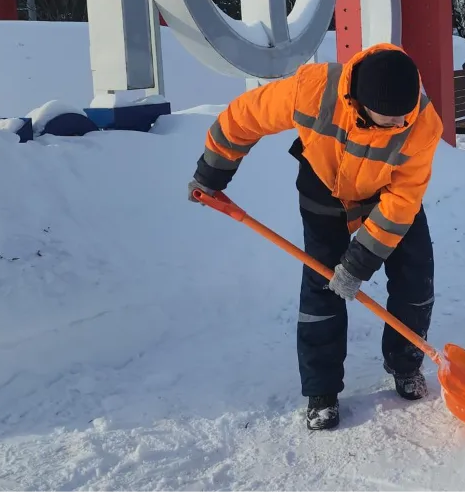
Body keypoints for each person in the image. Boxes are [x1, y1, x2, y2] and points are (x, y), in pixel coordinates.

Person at [188, 43, 443, 431]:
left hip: (387, 197)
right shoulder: (314, 90)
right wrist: (210, 174)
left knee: (415, 279)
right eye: (389, 118)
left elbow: (403, 201)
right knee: (322, 290)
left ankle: (406, 364)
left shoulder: (422, 123)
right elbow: (245, 116)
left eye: (402, 116)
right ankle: (321, 392)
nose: (398, 123)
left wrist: (358, 264)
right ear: (361, 102)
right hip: (324, 192)